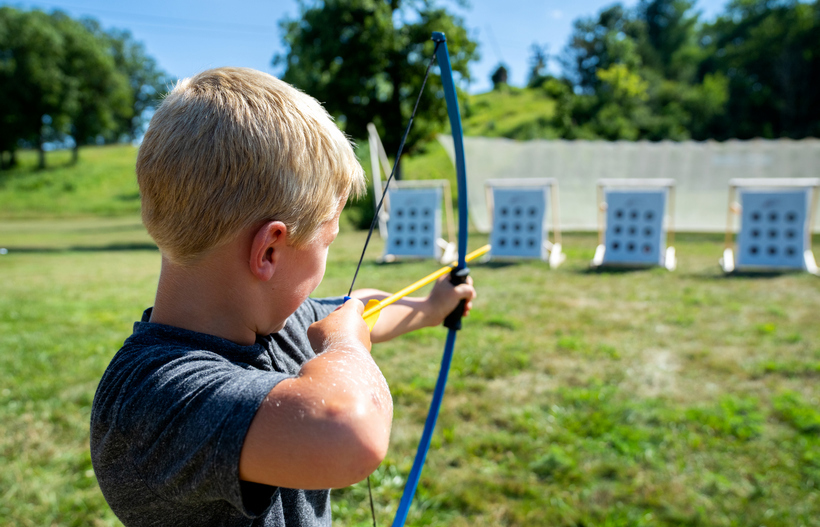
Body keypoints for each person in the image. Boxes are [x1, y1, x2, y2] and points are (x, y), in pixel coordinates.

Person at [89, 67, 476, 527]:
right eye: (327, 241)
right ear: (269, 250)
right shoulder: (153, 398)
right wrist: (345, 345)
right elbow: (349, 431)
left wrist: (430, 307)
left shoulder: (271, 321)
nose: (328, 257)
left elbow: (361, 310)